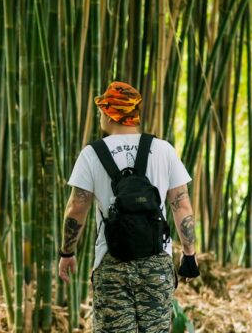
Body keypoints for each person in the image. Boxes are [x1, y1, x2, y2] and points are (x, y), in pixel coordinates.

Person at [57, 81, 200, 332]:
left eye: (102, 109)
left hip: (112, 262)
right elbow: (182, 206)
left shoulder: (92, 154)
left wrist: (67, 252)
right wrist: (189, 254)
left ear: (110, 114)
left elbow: (75, 209)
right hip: (157, 263)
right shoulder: (163, 150)